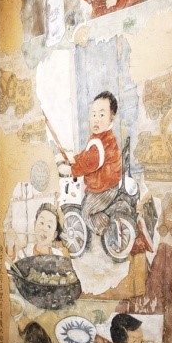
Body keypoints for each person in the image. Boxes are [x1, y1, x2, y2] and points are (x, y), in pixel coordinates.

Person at [64, 91, 122, 235]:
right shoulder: (98, 137)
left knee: (86, 211)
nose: (96, 119)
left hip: (105, 188)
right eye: (93, 114)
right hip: (103, 183)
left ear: (111, 117)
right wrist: (74, 159)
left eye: (101, 115)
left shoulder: (104, 141)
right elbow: (86, 155)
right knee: (86, 200)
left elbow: (89, 163)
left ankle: (109, 229)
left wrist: (71, 170)